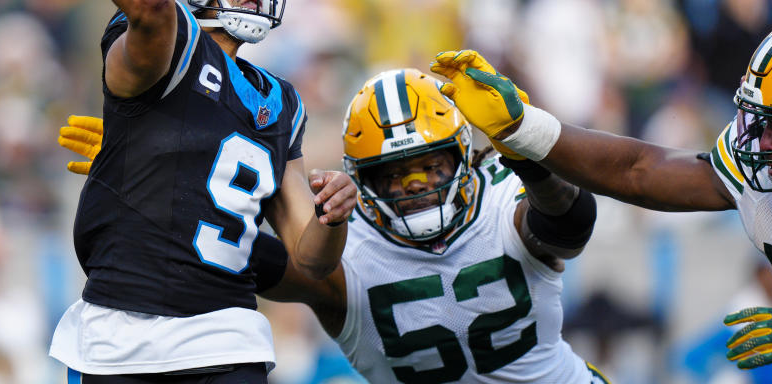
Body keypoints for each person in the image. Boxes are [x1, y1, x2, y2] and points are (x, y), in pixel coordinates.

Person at [0, 0, 356, 382]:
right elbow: (151, 7)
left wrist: (333, 218)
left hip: (222, 337)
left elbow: (307, 259)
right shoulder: (160, 43)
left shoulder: (281, 100)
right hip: (116, 336)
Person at [60, 68, 611, 383]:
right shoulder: (343, 260)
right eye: (396, 173)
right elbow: (229, 246)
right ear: (363, 180)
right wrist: (159, 178)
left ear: (463, 157)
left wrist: (528, 152)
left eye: (429, 165)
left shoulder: (504, 203)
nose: (416, 184)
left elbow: (568, 226)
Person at [428, 14, 772, 372]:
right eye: (763, 122)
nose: (765, 144)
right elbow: (639, 171)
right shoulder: (764, 171)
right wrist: (524, 129)